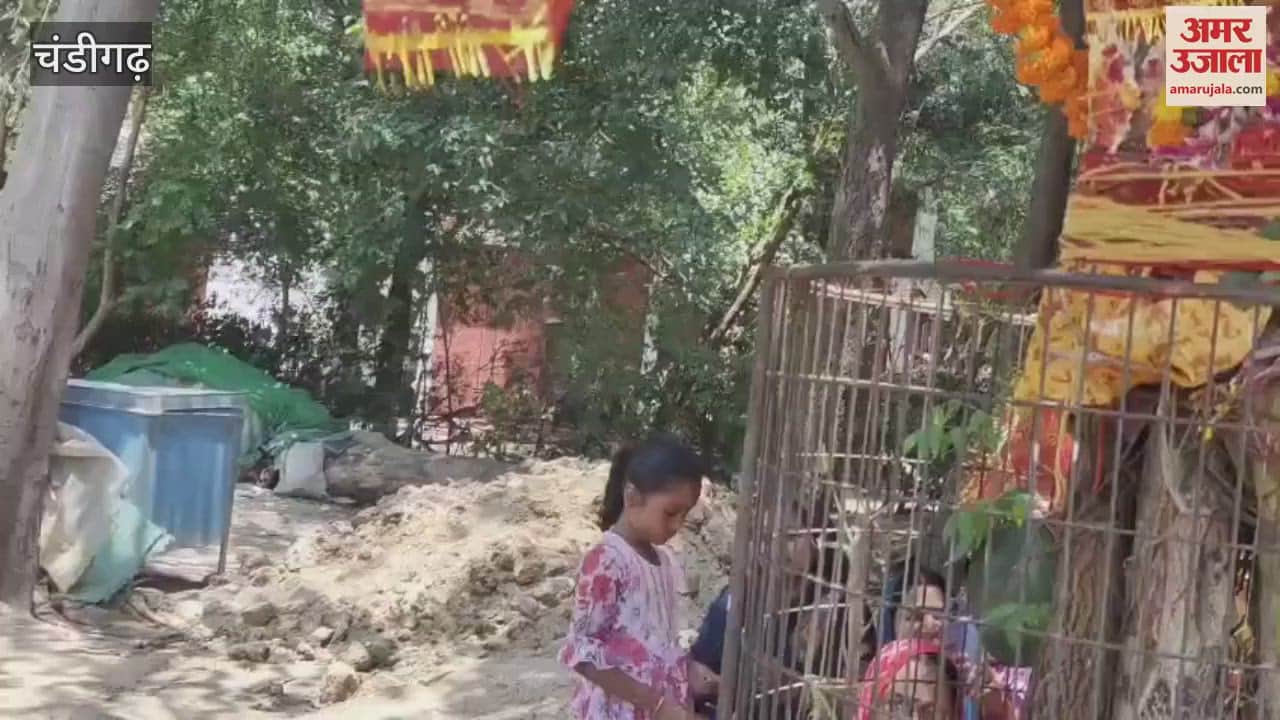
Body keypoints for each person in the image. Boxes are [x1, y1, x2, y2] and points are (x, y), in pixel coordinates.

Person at [561, 435, 708, 720]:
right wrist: (656, 704)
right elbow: (582, 653)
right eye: (670, 513)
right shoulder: (607, 561)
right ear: (632, 498)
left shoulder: (664, 560)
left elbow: (658, 640)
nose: (677, 525)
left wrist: (689, 670)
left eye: (685, 515)